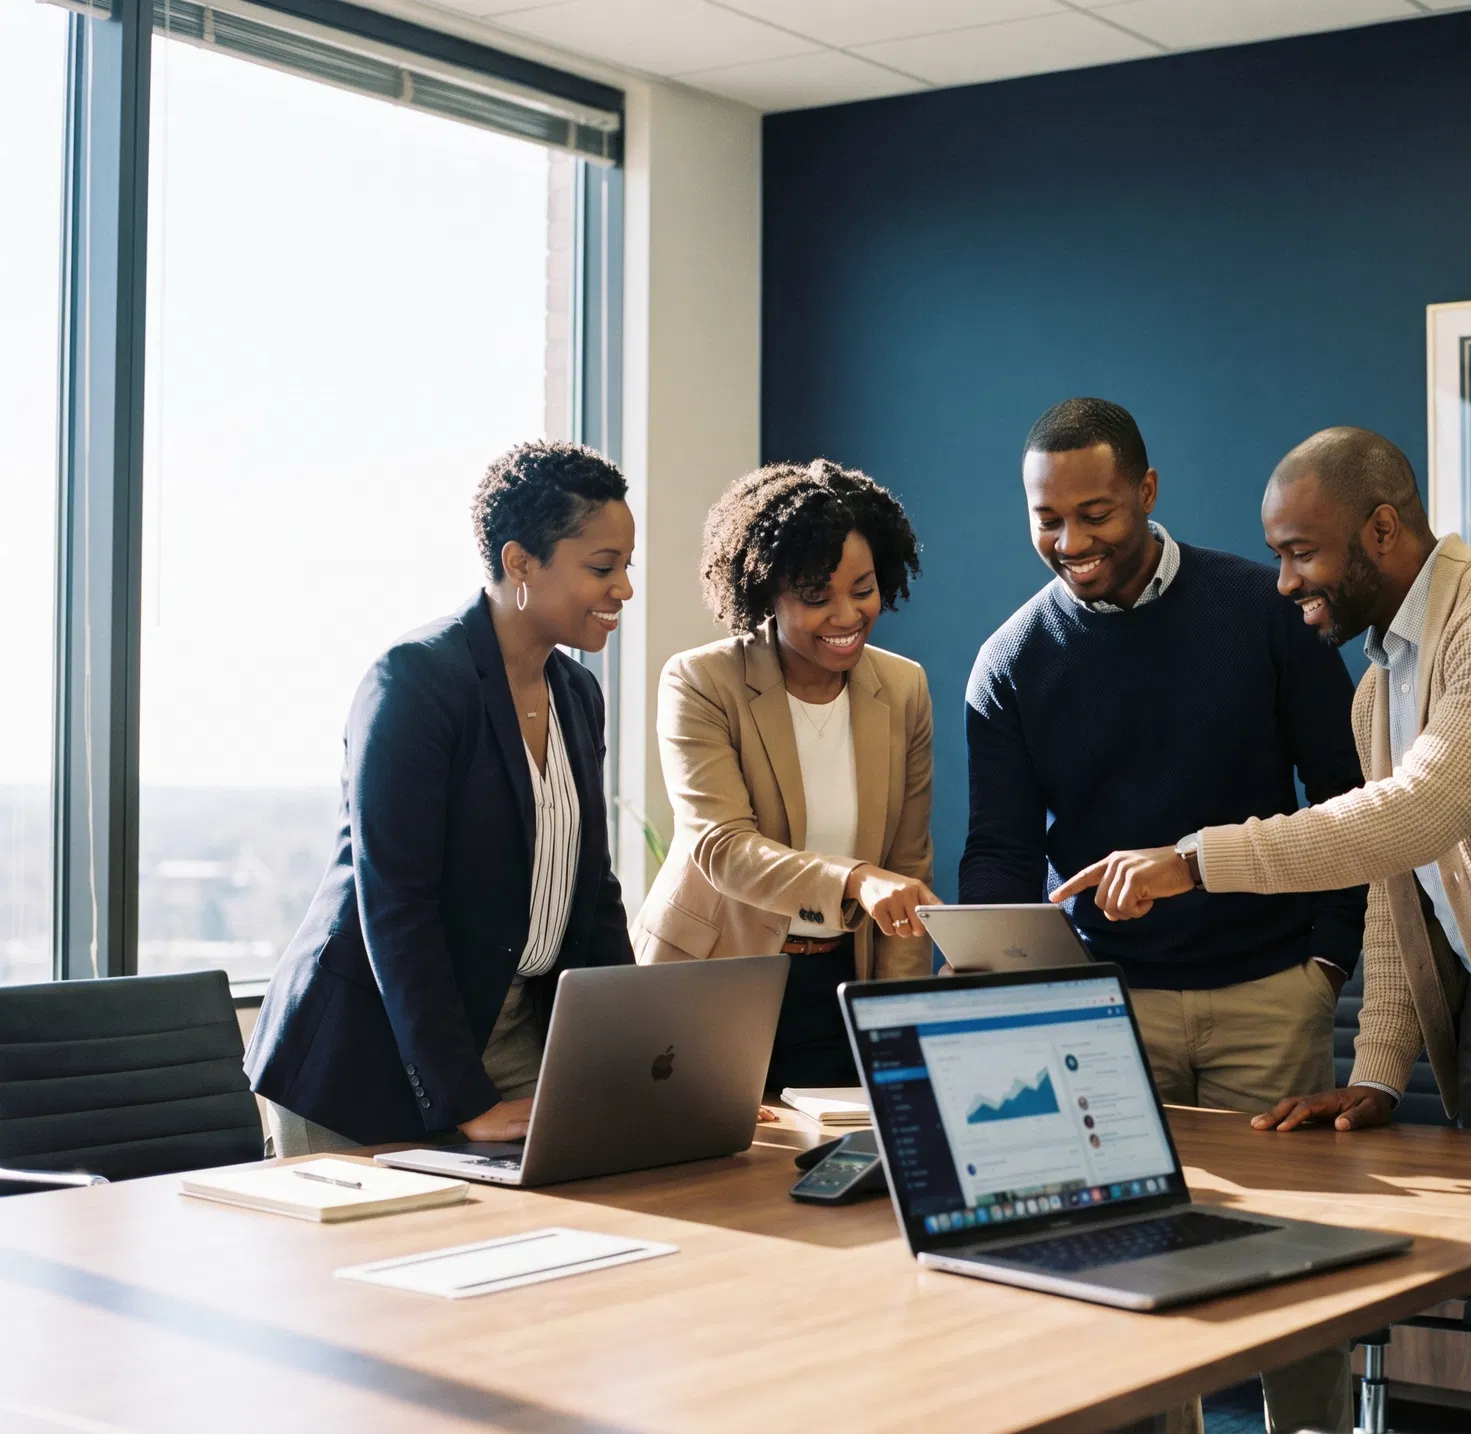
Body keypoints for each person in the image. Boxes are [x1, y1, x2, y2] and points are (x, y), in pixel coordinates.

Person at [1055, 426, 1471, 1434]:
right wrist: (1377, 1074)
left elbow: (1413, 814)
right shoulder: (1381, 685)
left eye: (1301, 552)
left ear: (1381, 530)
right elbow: (1396, 884)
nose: (1286, 583)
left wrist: (1193, 860)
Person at [962, 398, 1367, 1434]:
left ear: (1147, 492)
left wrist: (1325, 962)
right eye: (1047, 519)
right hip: (1109, 1013)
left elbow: (1346, 797)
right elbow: (1003, 853)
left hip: (1270, 991)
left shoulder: (1263, 610)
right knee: (1130, 1275)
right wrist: (1012, 999)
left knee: (1294, 1274)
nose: (1072, 542)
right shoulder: (1010, 662)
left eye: (1095, 512)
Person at [247, 441, 638, 1153]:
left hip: (509, 1038)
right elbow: (397, 907)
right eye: (602, 568)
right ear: (520, 562)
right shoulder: (415, 682)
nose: (624, 590)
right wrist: (463, 1098)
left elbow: (593, 893)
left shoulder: (577, 695)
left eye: (625, 568)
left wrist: (645, 1071)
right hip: (366, 1062)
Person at [635, 459, 937, 1092]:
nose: (847, 615)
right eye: (815, 596)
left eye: (864, 588)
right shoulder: (700, 682)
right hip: (715, 982)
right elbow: (721, 847)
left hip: (838, 988)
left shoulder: (904, 688)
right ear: (765, 592)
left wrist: (900, 1030)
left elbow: (906, 871)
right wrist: (856, 879)